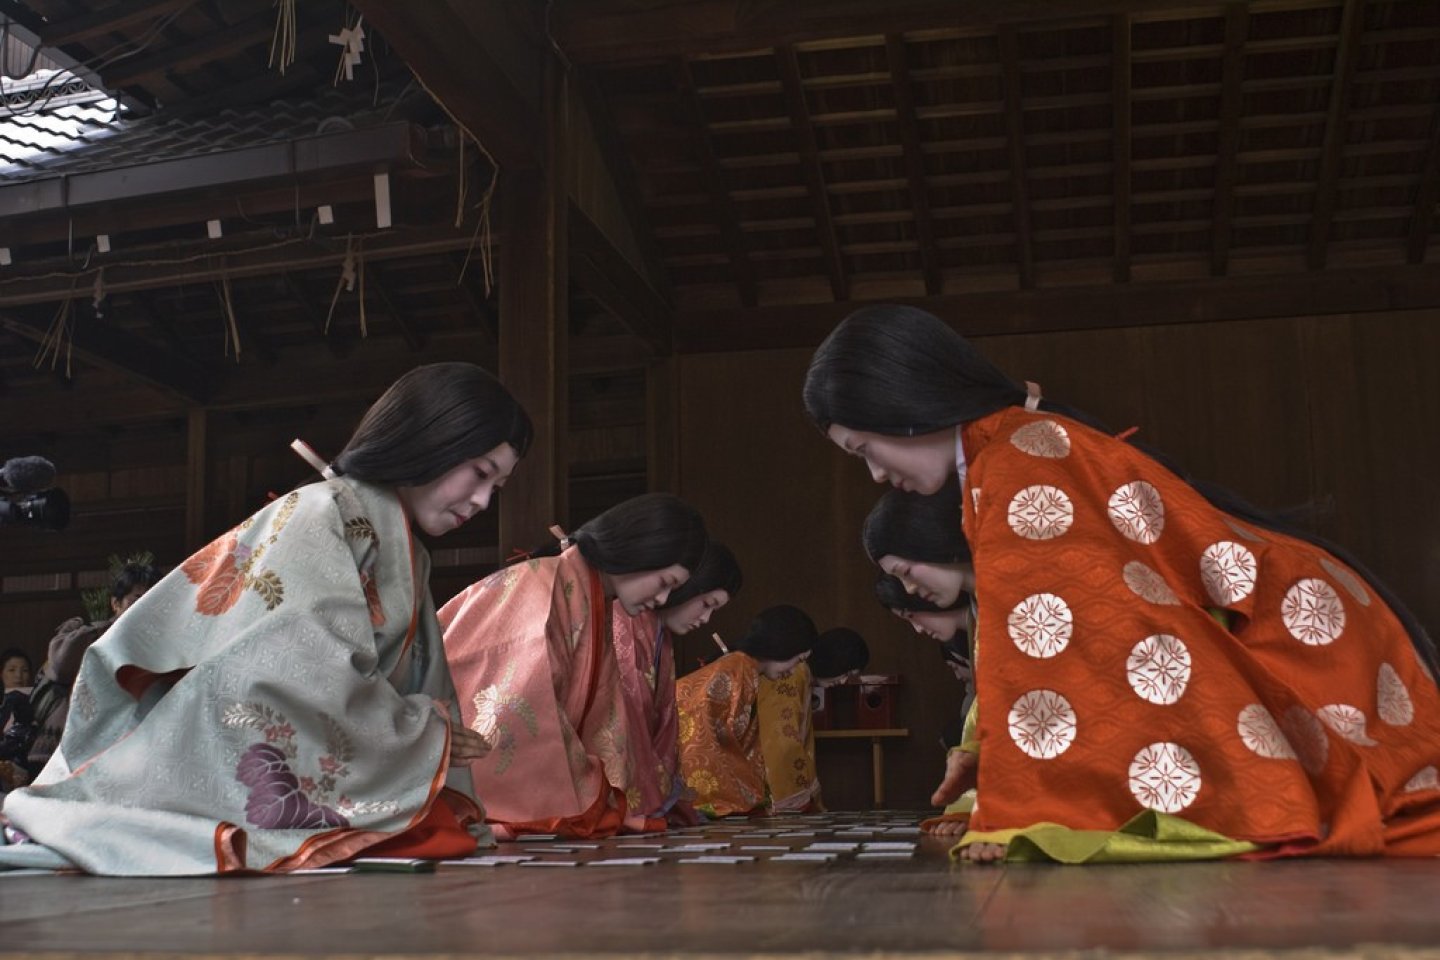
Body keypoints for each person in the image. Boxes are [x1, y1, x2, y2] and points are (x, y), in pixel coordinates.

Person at [805, 303, 1440, 863]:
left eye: (863, 449)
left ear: (901, 406)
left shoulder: (1019, 459)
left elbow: (1080, 642)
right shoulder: (1011, 452)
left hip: (1302, 635)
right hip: (1311, 610)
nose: (875, 475)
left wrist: (1028, 806)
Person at [0, 362, 531, 875]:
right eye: (480, 473)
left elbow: (409, 684)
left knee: (440, 829)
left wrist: (426, 737)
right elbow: (285, 677)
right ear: (432, 439)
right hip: (203, 746)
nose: (483, 500)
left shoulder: (405, 548)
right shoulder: (321, 513)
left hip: (311, 750)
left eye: (497, 487)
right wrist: (421, 735)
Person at [438, 493, 708, 840]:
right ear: (641, 551)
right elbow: (521, 709)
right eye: (665, 583)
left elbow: (605, 725)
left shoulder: (588, 597)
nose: (662, 600)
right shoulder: (542, 586)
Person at [611, 541, 742, 825]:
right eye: (707, 604)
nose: (705, 619)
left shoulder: (660, 637)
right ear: (685, 586)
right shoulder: (626, 624)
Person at [676, 604, 816, 817]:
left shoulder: (745, 670)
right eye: (798, 660)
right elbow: (698, 728)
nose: (793, 669)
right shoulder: (738, 669)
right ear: (782, 646)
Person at [27, 559, 163, 773]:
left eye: (151, 600)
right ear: (116, 603)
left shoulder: (157, 648)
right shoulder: (94, 635)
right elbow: (61, 665)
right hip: (67, 748)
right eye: (137, 598)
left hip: (120, 751)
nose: (143, 606)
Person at [758, 625, 869, 813]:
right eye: (846, 672)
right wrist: (796, 796)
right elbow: (781, 740)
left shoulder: (802, 673)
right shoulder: (795, 673)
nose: (843, 682)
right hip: (774, 785)